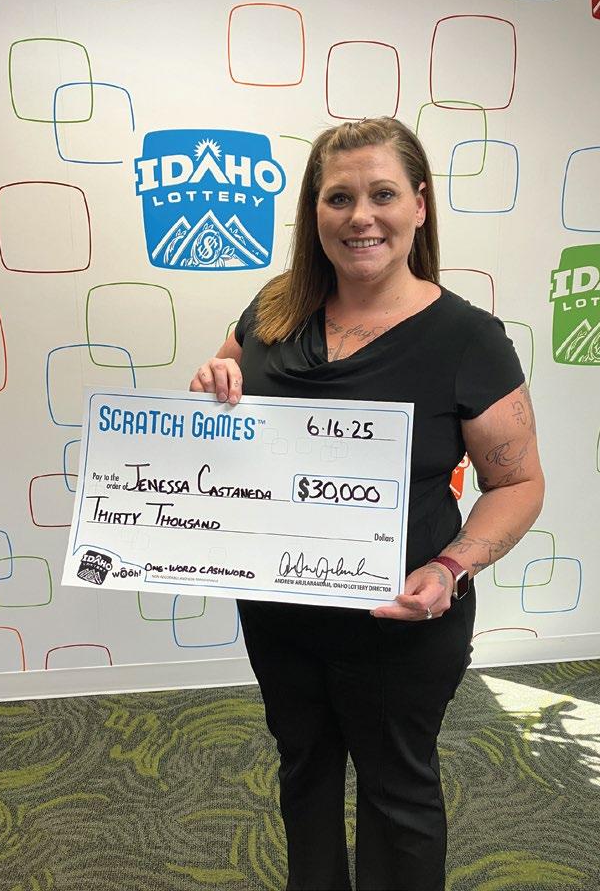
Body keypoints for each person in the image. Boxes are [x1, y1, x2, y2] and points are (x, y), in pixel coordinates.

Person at [190, 117, 544, 891]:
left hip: (401, 620)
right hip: (279, 609)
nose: (361, 217)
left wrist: (451, 569)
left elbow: (519, 484)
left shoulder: (468, 338)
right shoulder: (273, 309)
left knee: (398, 794)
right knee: (303, 771)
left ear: (419, 205)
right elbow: (225, 385)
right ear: (314, 211)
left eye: (382, 194)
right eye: (339, 197)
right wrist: (216, 382)